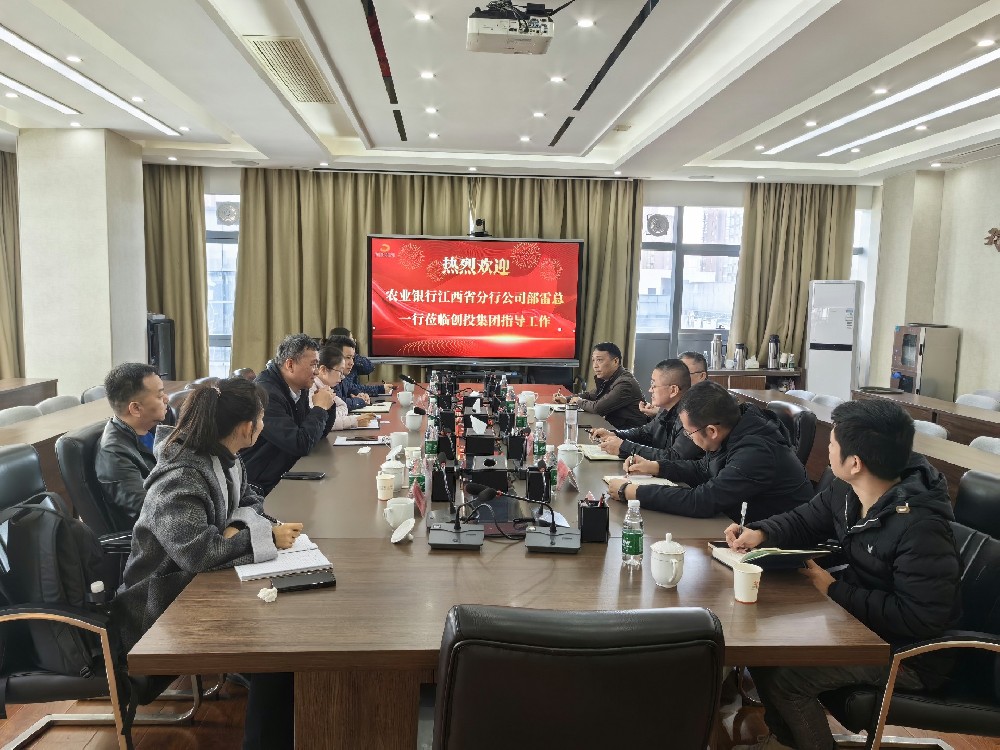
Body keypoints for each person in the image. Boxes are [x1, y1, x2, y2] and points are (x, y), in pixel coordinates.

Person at [727, 399, 961, 750]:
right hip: (859, 626)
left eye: (832, 443)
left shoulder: (921, 527)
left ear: (855, 463)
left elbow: (920, 618)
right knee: (763, 650)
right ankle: (784, 742)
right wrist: (761, 532)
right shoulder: (847, 489)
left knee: (788, 679)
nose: (828, 448)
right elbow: (804, 520)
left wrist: (835, 590)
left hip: (909, 654)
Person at [113, 378, 304, 750]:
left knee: (288, 639)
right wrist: (263, 537)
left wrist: (236, 528)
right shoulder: (181, 475)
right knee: (279, 652)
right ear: (247, 427)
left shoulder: (225, 456)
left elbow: (250, 500)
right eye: (262, 418)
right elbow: (197, 554)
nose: (263, 424)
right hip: (160, 603)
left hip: (198, 585)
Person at [608, 381, 812, 521]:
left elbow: (702, 501)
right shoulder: (737, 425)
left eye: (689, 433)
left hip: (779, 545)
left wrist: (631, 492)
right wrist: (656, 467)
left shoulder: (756, 452)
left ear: (712, 431)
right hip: (741, 526)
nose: (689, 438)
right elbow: (703, 468)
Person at [241, 334, 335, 495]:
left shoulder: (299, 388)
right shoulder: (266, 394)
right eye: (313, 365)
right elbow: (299, 444)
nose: (316, 372)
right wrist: (320, 408)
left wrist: (327, 406)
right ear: (290, 364)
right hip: (261, 485)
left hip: (286, 471)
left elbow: (318, 434)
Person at [95, 362, 169, 529]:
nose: (167, 399)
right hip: (153, 537)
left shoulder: (153, 428)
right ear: (135, 408)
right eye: (160, 396)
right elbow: (150, 510)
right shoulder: (114, 454)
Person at [590, 359, 703, 464]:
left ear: (673, 390)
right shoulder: (665, 410)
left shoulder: (691, 416)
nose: (650, 390)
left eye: (654, 385)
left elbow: (675, 458)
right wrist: (614, 434)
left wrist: (624, 447)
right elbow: (644, 433)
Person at [552, 342, 646, 429]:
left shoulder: (625, 383)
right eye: (593, 360)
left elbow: (598, 408)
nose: (595, 365)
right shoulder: (610, 378)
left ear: (615, 361)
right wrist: (567, 399)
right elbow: (590, 395)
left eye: (599, 360)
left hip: (629, 435)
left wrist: (578, 401)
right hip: (614, 429)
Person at [313, 344, 378, 430]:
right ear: (323, 370)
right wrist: (354, 421)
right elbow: (318, 423)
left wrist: (331, 415)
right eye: (340, 372)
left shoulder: (325, 388)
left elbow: (343, 406)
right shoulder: (311, 389)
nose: (342, 377)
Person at [325, 334, 391, 408]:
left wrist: (362, 395)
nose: (352, 363)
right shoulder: (328, 377)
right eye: (348, 357)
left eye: (352, 358)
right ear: (333, 357)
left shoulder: (342, 378)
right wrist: (360, 401)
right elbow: (340, 403)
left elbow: (352, 389)